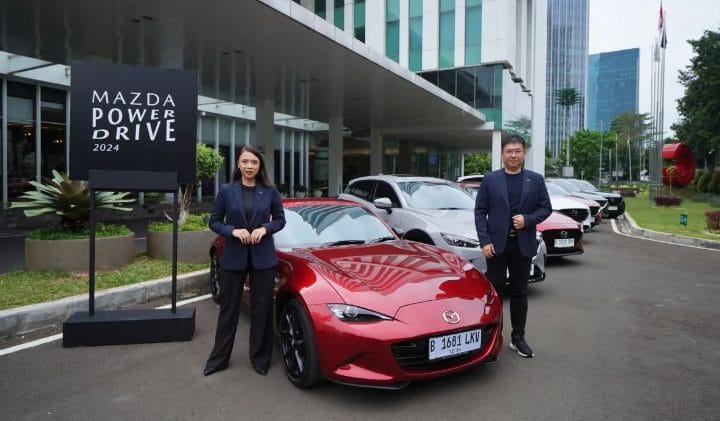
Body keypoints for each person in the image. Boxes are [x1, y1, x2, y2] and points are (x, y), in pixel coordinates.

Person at [204, 145, 286, 376]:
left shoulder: (270, 191)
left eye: (254, 162)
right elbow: (214, 221)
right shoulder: (227, 191)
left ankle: (260, 359)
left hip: (263, 258)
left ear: (260, 166)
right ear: (238, 165)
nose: (249, 166)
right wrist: (232, 231)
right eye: (245, 162)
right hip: (233, 257)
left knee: (262, 310)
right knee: (228, 310)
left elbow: (280, 220)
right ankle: (218, 359)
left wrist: (265, 229)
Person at [474, 134, 551, 358]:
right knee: (495, 292)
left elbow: (545, 208)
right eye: (509, 151)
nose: (514, 155)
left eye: (518, 150)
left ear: (524, 153)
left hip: (522, 244)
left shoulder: (535, 180)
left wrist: (528, 219)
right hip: (495, 246)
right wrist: (485, 240)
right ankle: (493, 337)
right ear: (502, 154)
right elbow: (480, 212)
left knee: (519, 292)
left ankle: (518, 337)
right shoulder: (490, 179)